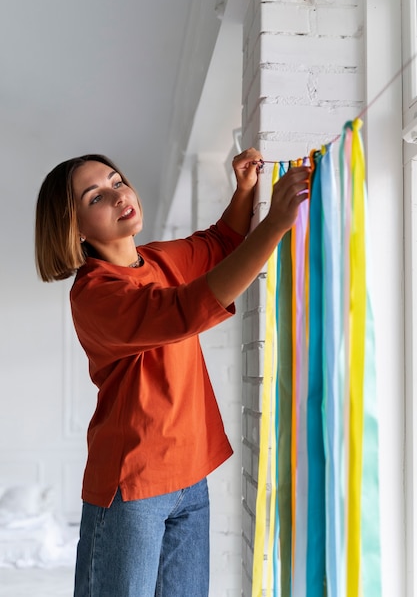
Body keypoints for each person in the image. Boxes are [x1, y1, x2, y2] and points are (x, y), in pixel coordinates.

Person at [35, 148, 309, 597]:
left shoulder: (160, 260)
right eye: (96, 197)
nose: (118, 194)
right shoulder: (95, 295)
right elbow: (186, 310)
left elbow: (220, 242)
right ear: (75, 228)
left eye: (116, 181)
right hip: (133, 486)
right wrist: (275, 224)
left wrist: (244, 193)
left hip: (189, 477)